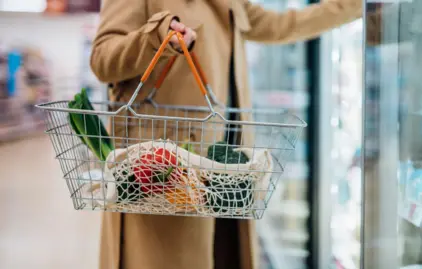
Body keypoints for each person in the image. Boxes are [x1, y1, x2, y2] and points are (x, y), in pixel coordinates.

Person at [90, 0, 363, 268]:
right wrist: (157, 36)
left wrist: (355, 6)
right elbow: (103, 60)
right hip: (162, 178)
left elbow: (280, 25)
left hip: (226, 173)